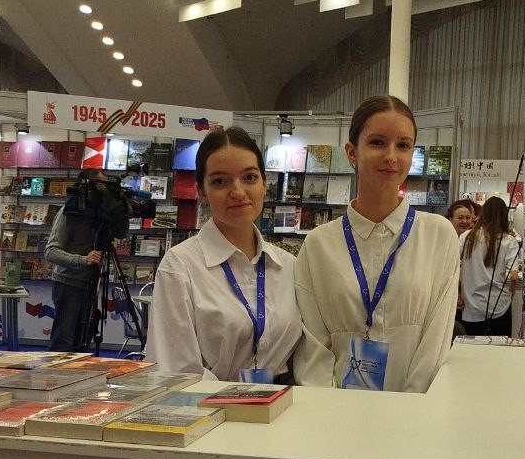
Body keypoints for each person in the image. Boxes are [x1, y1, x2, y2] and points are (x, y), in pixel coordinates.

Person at [293, 95, 459, 392]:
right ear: (352, 152)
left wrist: (409, 408)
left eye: (403, 145)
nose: (391, 156)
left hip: (415, 411)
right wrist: (332, 408)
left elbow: (436, 343)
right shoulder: (319, 244)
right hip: (336, 411)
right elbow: (313, 348)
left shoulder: (438, 235)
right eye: (377, 142)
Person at [146, 127, 301, 382]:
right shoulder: (180, 267)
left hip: (282, 400)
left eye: (249, 177)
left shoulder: (289, 266)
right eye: (220, 181)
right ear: (201, 192)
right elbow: (173, 370)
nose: (238, 192)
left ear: (264, 184)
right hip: (208, 403)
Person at [45, 171, 105, 351]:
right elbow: (51, 252)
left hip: (90, 284)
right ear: (88, 187)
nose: (105, 190)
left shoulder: (98, 213)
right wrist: (83, 260)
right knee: (64, 340)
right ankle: (55, 369)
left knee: (83, 339)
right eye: (101, 185)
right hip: (68, 283)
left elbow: (120, 232)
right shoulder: (68, 211)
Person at [459, 197, 522, 336]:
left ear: (483, 213)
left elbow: (454, 267)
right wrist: (511, 293)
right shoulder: (509, 241)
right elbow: (513, 276)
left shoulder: (467, 237)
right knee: (499, 348)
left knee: (470, 347)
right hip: (500, 307)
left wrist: (458, 294)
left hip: (471, 307)